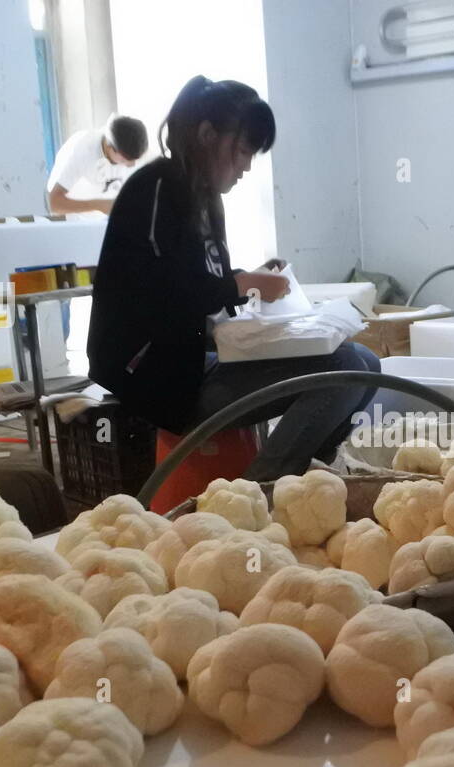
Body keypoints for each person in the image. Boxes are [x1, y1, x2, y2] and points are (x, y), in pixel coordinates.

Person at [88, 76, 380, 481]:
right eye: (242, 151)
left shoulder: (204, 198)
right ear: (207, 135)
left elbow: (204, 285)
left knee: (366, 362)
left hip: (190, 361)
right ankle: (262, 492)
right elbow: (160, 295)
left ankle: (312, 476)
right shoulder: (156, 189)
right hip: (155, 380)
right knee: (344, 367)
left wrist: (248, 279)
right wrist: (243, 285)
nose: (246, 166)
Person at [46, 114, 148, 215]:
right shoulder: (81, 150)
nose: (130, 165)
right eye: (125, 160)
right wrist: (99, 205)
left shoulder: (134, 150)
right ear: (109, 146)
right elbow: (54, 203)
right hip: (77, 222)